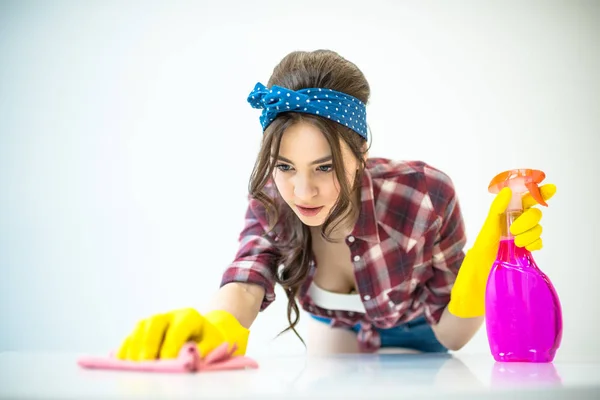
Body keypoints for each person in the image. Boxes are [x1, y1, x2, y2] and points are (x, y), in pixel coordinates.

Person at [115, 49, 555, 360]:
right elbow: (248, 279)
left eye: (324, 167)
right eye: (286, 166)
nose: (302, 193)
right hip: (339, 331)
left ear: (361, 152)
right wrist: (215, 325)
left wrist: (487, 252)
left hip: (426, 330)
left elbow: (454, 334)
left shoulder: (424, 192)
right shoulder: (271, 197)